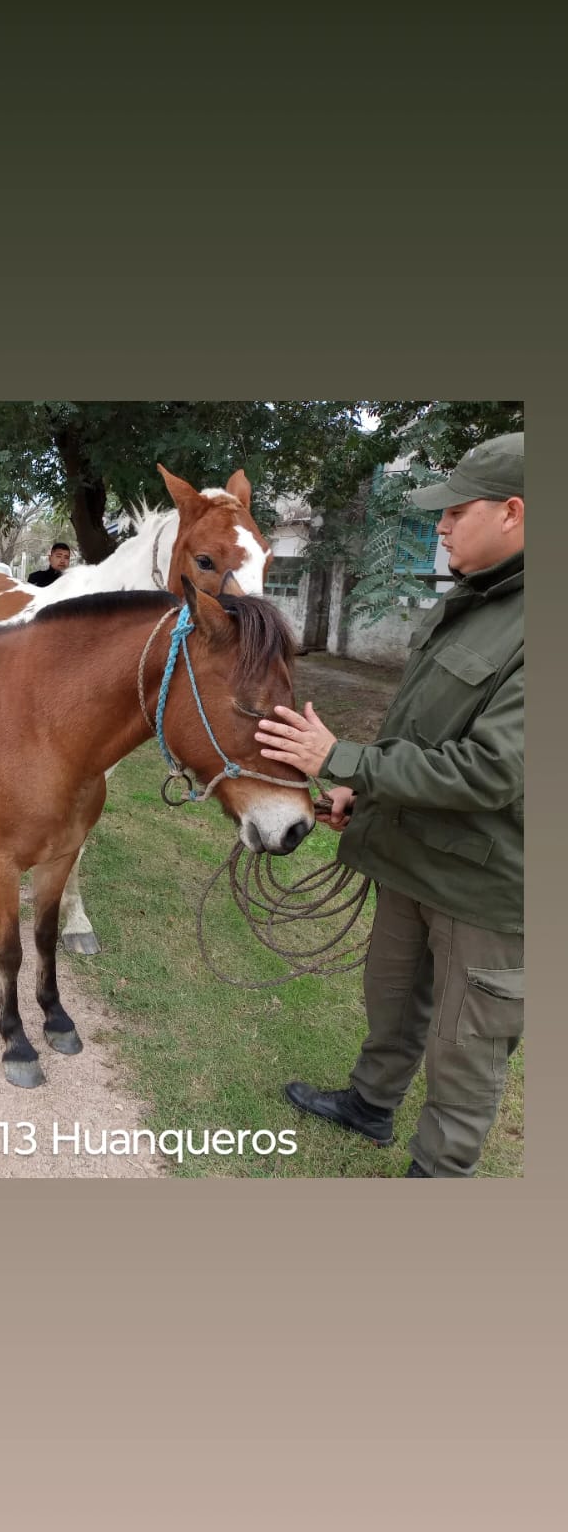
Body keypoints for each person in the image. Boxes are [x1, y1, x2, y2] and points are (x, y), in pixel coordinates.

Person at [254, 432, 524, 1178]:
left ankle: (436, 1175)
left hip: (488, 888)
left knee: (465, 1045)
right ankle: (369, 1106)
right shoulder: (472, 602)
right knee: (393, 1001)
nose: (438, 527)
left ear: (512, 511)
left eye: (454, 512)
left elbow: (491, 770)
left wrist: (337, 757)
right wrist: (358, 789)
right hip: (414, 859)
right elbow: (421, 731)